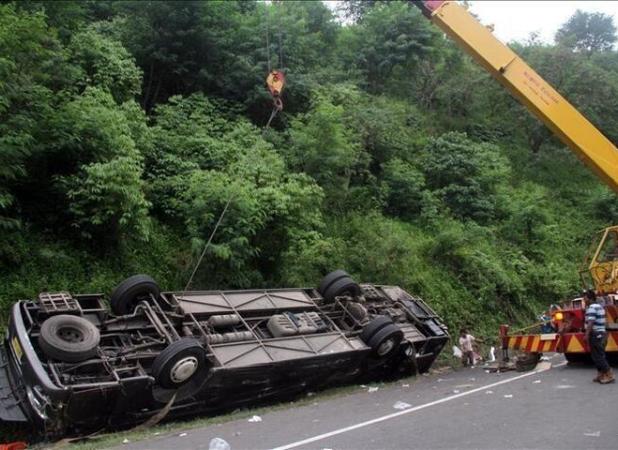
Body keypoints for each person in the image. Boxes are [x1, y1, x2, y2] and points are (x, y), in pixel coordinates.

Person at [584, 290, 614, 384]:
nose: (584, 300)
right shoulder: (599, 306)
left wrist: (586, 334)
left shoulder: (592, 307)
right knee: (596, 355)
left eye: (585, 298)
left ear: (590, 298)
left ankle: (609, 374)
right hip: (600, 333)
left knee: (598, 356)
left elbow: (591, 322)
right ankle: (601, 374)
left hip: (596, 334)